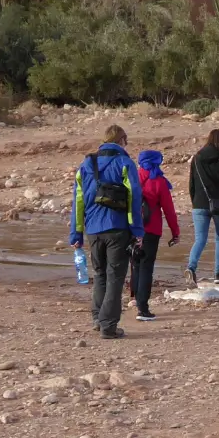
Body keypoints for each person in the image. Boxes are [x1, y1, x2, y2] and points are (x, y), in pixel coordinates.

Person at [69, 125, 144, 340]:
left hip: (93, 230)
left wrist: (76, 233)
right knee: (115, 278)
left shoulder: (86, 164)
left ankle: (97, 319)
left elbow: (78, 201)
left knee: (100, 275)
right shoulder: (125, 163)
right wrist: (137, 230)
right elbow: (134, 197)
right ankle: (108, 326)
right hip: (117, 228)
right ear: (122, 140)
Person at [129, 149, 179, 321]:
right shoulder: (158, 181)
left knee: (135, 264)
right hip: (151, 230)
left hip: (131, 229)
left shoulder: (132, 177)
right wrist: (175, 232)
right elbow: (169, 210)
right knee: (146, 267)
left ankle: (135, 299)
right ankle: (143, 308)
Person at [186, 128, 219, 284]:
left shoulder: (196, 159)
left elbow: (192, 184)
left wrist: (195, 202)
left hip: (199, 204)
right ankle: (218, 273)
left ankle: (191, 268)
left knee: (200, 239)